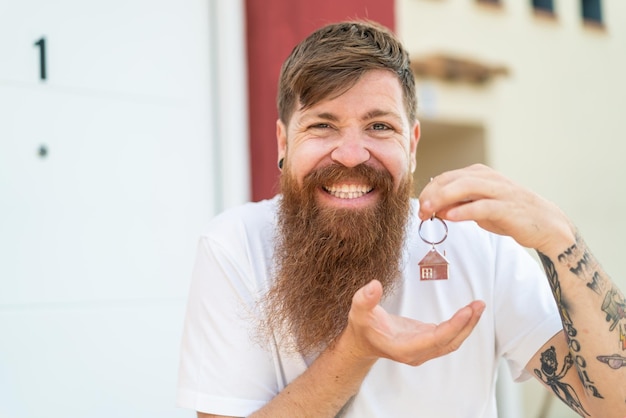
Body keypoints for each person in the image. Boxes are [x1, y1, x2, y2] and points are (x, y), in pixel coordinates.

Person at [176, 20, 626, 418]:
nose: (351, 154)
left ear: (412, 145)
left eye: (379, 126)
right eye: (322, 125)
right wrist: (354, 352)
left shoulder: (478, 243)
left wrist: (561, 240)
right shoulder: (235, 246)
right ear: (283, 142)